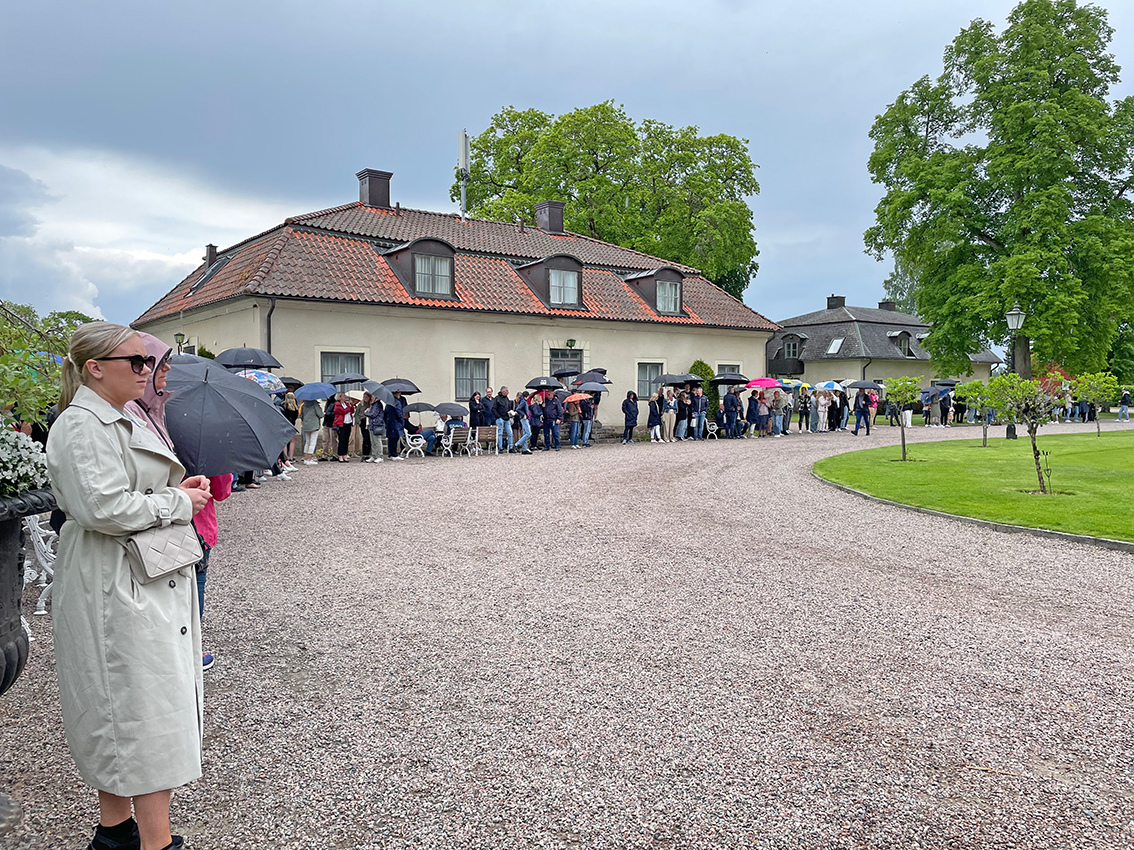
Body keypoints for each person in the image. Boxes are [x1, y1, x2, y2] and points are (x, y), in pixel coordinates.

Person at [47, 322, 212, 850]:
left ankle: (115, 832)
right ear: (95, 368)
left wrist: (175, 487)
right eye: (135, 361)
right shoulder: (82, 425)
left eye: (149, 361)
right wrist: (177, 502)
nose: (147, 370)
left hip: (133, 575)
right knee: (139, 710)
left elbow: (123, 490)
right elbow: (102, 507)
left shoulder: (119, 416)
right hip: (115, 580)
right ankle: (155, 843)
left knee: (130, 705)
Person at [300, 396, 323, 464]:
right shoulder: (315, 404)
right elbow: (320, 414)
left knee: (307, 442)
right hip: (314, 425)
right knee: (312, 442)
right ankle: (310, 459)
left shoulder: (304, 405)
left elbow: (301, 415)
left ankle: (306, 458)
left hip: (306, 425)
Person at [332, 392, 353, 462]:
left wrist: (351, 405)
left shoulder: (346, 404)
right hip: (341, 424)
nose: (345, 397)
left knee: (346, 440)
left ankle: (345, 454)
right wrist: (349, 407)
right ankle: (340, 455)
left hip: (348, 423)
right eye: (343, 396)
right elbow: (343, 411)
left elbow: (351, 411)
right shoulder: (337, 404)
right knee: (342, 440)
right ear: (340, 397)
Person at [384, 390, 405, 459]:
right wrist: (402, 420)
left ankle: (390, 454)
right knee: (395, 438)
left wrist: (386, 422)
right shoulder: (397, 402)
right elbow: (399, 413)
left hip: (389, 423)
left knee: (390, 439)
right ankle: (394, 454)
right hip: (396, 423)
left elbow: (385, 414)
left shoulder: (388, 403)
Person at [494, 386, 515, 453]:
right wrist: (498, 417)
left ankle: (511, 447)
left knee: (510, 433)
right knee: (500, 433)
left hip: (506, 418)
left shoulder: (506, 398)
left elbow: (508, 407)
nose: (508, 392)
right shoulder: (497, 399)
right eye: (507, 391)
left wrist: (510, 413)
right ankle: (500, 447)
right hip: (500, 418)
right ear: (503, 391)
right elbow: (493, 409)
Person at [281, 391, 299, 467]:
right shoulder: (295, 407)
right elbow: (296, 417)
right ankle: (291, 457)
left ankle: (285, 457)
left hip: (284, 425)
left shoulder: (283, 406)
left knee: (285, 442)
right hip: (292, 425)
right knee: (292, 441)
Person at [319, 393, 337, 460]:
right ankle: (325, 455)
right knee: (325, 440)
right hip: (326, 422)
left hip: (332, 423)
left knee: (333, 440)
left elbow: (335, 413)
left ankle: (335, 454)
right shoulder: (327, 402)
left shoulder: (335, 403)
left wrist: (327, 413)